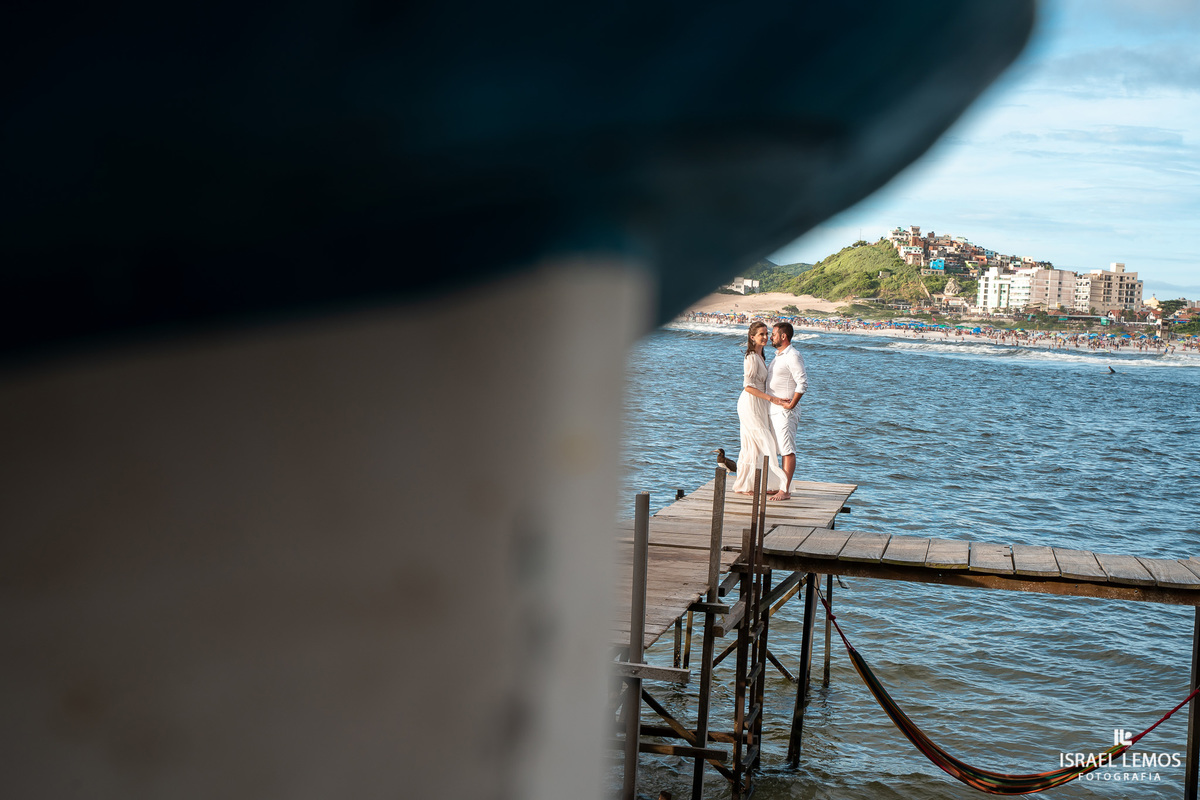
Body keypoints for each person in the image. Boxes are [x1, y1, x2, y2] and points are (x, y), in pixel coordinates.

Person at [732, 321, 788, 495]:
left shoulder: (761, 356)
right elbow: (747, 386)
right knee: (759, 441)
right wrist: (773, 399)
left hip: (760, 404)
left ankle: (753, 485)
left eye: (766, 333)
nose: (765, 337)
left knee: (756, 444)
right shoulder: (750, 357)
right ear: (752, 337)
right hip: (750, 403)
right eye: (761, 334)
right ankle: (746, 485)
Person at [765, 321, 808, 500]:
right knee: (778, 448)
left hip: (785, 411)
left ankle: (786, 490)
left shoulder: (793, 355)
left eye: (774, 334)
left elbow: (803, 382)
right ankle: (780, 486)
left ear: (783, 336)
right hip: (774, 410)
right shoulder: (779, 355)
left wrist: (791, 405)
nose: (771, 337)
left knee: (787, 449)